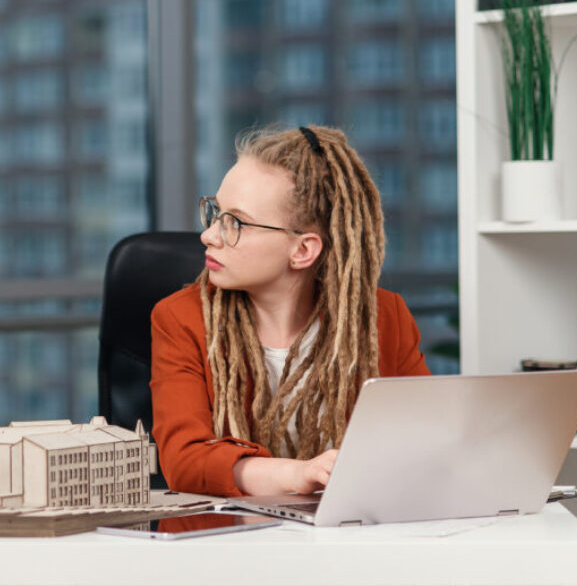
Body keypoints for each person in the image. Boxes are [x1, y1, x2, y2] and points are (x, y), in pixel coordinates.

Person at [150, 125, 431, 498]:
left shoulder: (383, 317)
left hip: (352, 539)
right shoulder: (180, 319)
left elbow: (429, 440)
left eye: (235, 222)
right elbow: (184, 462)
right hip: (226, 545)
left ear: (303, 250)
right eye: (215, 212)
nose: (209, 235)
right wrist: (298, 475)